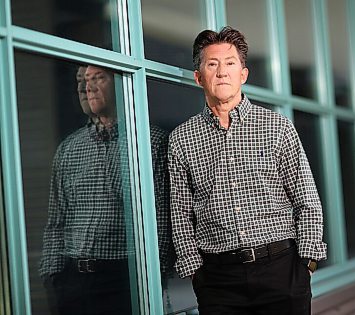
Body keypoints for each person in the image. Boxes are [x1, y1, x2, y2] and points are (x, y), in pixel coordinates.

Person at [168, 26, 327, 314]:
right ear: (198, 76)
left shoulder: (277, 127)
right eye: (212, 64)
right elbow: (180, 212)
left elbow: (306, 198)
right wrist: (196, 273)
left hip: (281, 271)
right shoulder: (182, 138)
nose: (222, 72)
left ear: (243, 74)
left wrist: (308, 262)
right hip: (218, 281)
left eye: (230, 64)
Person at [39, 65, 172, 315]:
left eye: (98, 78)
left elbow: (162, 220)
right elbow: (56, 222)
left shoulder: (150, 143)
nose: (87, 87)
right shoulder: (68, 149)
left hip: (126, 278)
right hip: (72, 281)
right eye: (83, 80)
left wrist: (156, 277)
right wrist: (52, 275)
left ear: (121, 84)